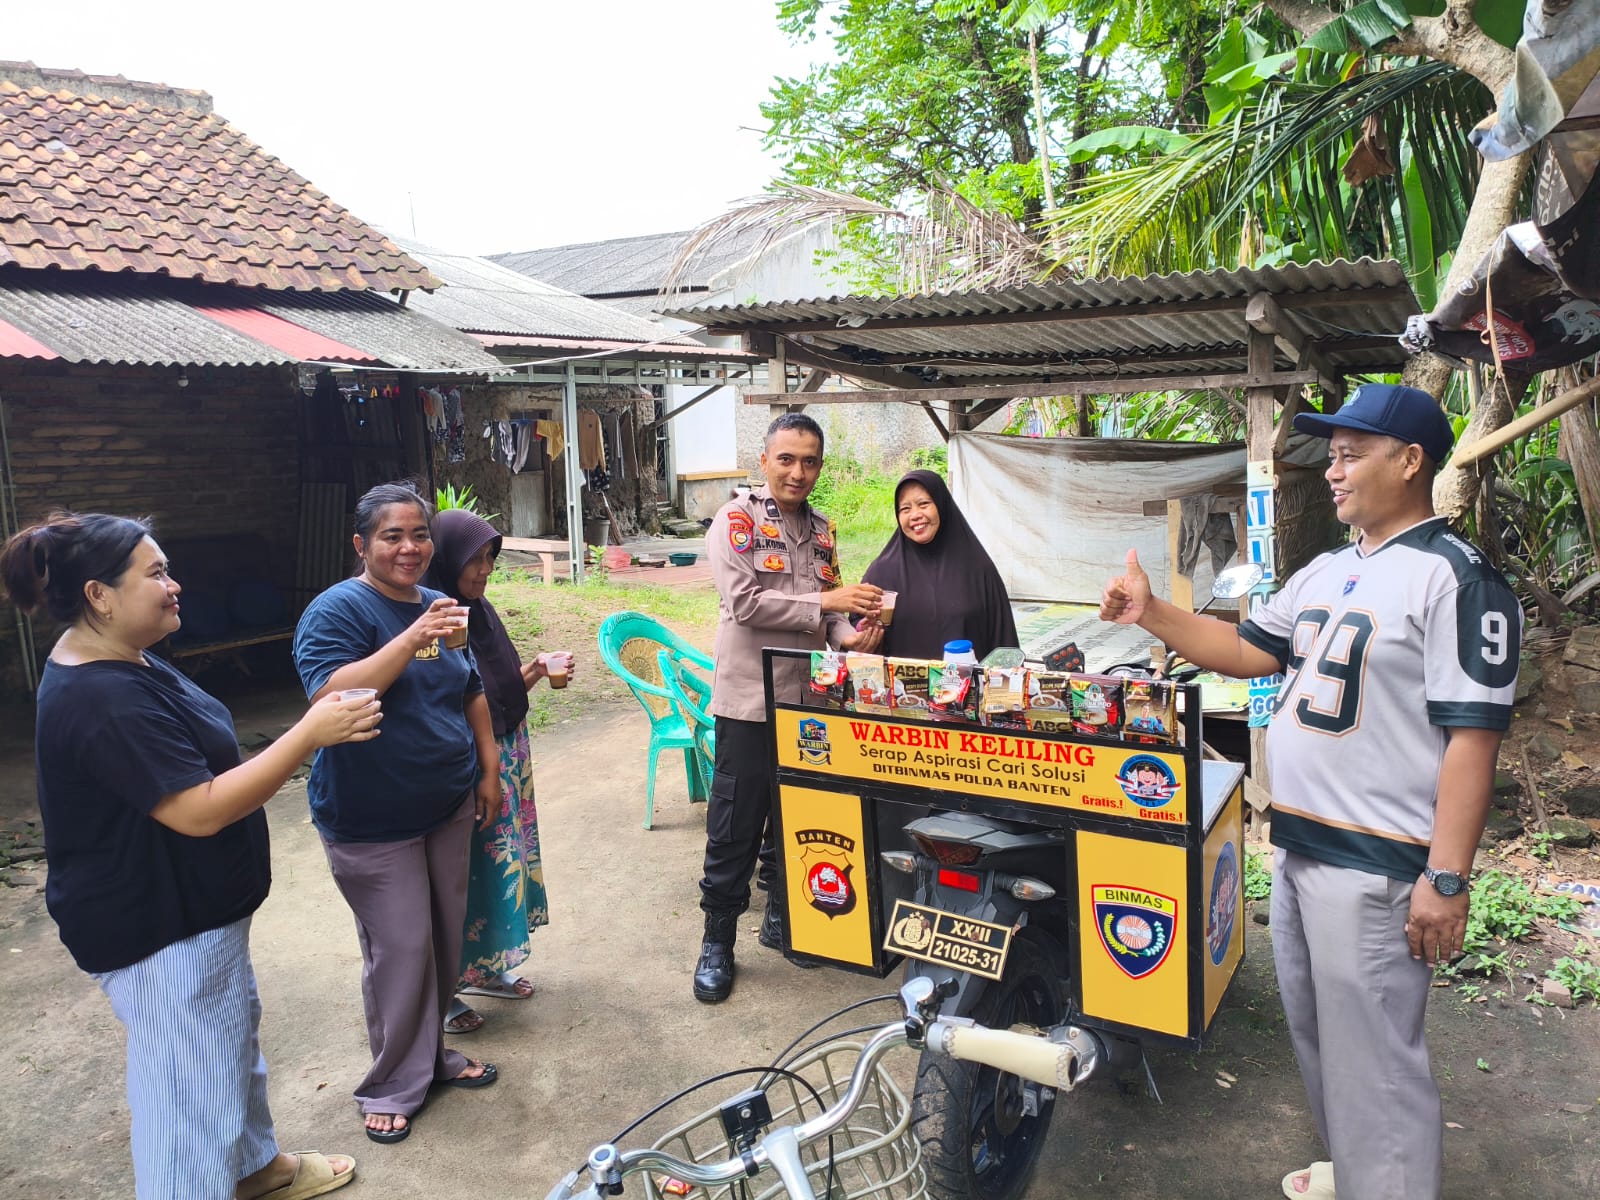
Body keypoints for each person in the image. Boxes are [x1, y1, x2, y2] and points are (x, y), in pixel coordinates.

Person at [1099, 384, 1520, 1200]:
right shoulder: (1329, 569)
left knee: (1377, 1068)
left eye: (1351, 455)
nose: (1333, 471)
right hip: (1299, 847)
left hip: (1376, 862)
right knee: (1324, 1041)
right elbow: (1248, 651)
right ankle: (1358, 1175)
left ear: (1411, 461)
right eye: (1331, 455)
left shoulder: (1455, 579)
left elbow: (1474, 739)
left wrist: (1446, 878)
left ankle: (1388, 1185)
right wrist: (1151, 612)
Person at [0, 511, 380, 1200]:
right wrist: (308, 734)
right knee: (187, 1103)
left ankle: (255, 1169)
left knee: (227, 1048)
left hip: (196, 913)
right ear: (98, 596)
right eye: (156, 574)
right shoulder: (102, 697)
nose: (175, 586)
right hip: (158, 930)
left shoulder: (124, 656)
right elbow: (197, 810)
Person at [293, 483, 503, 1145]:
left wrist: (489, 769)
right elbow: (333, 695)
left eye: (419, 535)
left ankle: (430, 1057)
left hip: (445, 801)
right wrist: (412, 637)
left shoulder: (438, 605)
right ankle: (390, 1085)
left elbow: (469, 689)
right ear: (361, 544)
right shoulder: (338, 609)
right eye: (392, 536)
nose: (410, 548)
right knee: (402, 949)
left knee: (441, 942)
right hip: (371, 815)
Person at [694, 412, 884, 1002]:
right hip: (751, 700)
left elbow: (827, 615)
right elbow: (746, 604)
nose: (797, 472)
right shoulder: (736, 520)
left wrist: (850, 636)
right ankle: (717, 940)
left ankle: (784, 919)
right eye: (786, 459)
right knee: (735, 824)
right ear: (765, 461)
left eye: (809, 462)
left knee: (796, 814)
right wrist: (829, 603)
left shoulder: (822, 530)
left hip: (809, 701)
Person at [422, 507, 575, 1035]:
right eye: (476, 560)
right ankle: (442, 992)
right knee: (462, 872)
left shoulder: (480, 613)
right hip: (470, 763)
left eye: (490, 558)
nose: (485, 569)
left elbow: (496, 692)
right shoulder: (435, 619)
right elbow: (448, 701)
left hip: (508, 758)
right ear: (447, 561)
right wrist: (485, 768)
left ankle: (486, 969)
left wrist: (533, 670)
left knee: (496, 869)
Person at [861, 468, 1018, 659]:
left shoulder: (977, 569)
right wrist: (865, 630)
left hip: (964, 678)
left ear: (942, 505)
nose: (915, 515)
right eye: (905, 509)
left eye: (924, 504)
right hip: (902, 679)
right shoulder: (882, 572)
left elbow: (1002, 640)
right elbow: (858, 631)